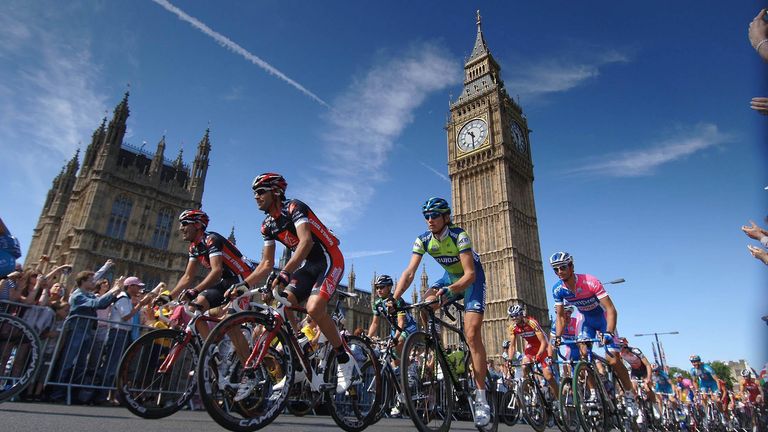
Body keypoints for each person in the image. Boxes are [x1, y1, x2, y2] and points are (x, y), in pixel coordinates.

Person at [228, 172, 353, 400]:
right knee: (281, 306)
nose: (256, 197)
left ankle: (343, 358)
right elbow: (266, 264)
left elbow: (306, 242)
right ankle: (297, 362)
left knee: (315, 307)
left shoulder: (294, 208)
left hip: (329, 259)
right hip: (308, 265)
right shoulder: (267, 226)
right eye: (254, 192)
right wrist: (244, 286)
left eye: (260, 192)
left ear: (275, 192)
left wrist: (285, 272)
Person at [390, 197, 491, 427]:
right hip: (449, 278)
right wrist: (393, 299)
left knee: (472, 333)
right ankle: (433, 344)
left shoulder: (459, 236)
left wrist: (449, 291)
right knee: (424, 305)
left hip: (471, 280)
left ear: (446, 217)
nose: (429, 220)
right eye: (426, 216)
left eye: (434, 215)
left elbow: (469, 274)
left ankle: (482, 398)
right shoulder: (423, 240)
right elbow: (409, 272)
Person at [549, 251, 640, 417]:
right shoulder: (558, 289)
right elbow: (561, 317)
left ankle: (629, 395)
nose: (560, 271)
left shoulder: (590, 282)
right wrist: (557, 338)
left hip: (603, 318)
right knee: (583, 353)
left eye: (563, 267)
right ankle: (593, 392)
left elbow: (611, 309)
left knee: (613, 360)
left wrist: (609, 332)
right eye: (556, 269)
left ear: (571, 266)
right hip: (586, 320)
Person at [49, 271, 122, 402]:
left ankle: (73, 393)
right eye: (91, 280)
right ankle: (56, 393)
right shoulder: (78, 295)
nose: (94, 283)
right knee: (67, 362)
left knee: (81, 364)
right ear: (82, 281)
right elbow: (97, 304)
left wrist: (115, 292)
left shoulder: (89, 295)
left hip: (88, 331)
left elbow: (103, 303)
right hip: (76, 330)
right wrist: (114, 289)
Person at [507, 304, 558, 404]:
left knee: (548, 376)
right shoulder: (513, 327)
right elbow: (512, 346)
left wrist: (538, 356)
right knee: (524, 367)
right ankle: (528, 395)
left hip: (543, 347)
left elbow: (543, 342)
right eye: (512, 316)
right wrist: (509, 359)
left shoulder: (532, 323)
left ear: (522, 314)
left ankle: (558, 400)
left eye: (516, 315)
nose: (514, 318)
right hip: (531, 347)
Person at [367, 274, 418, 364]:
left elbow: (401, 322)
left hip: (408, 327)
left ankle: (411, 370)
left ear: (390, 287)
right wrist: (368, 338)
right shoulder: (377, 304)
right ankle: (402, 372)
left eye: (382, 287)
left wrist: (396, 338)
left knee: (398, 344)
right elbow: (375, 323)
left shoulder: (397, 300)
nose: (379, 290)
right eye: (377, 287)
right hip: (395, 329)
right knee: (393, 357)